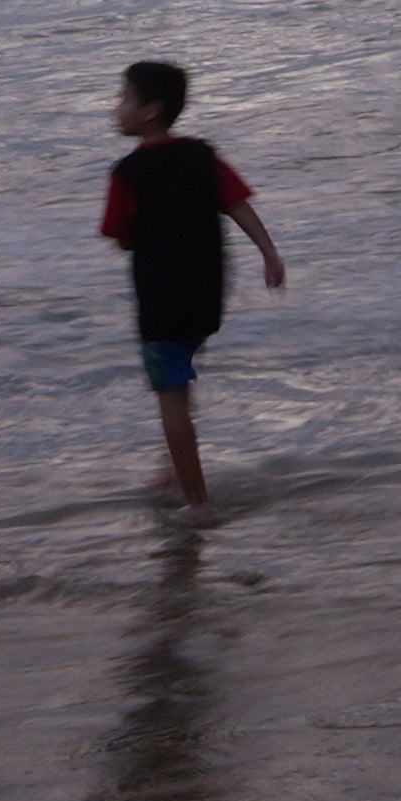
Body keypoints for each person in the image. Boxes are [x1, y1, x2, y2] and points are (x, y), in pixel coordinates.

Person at [101, 59, 283, 512]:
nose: (116, 107)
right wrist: (269, 252)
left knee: (172, 398)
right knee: (182, 369)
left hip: (161, 300)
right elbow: (237, 204)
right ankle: (170, 466)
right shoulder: (203, 155)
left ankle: (197, 501)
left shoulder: (127, 172)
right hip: (207, 294)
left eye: (124, 98)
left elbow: (122, 237)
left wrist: (140, 237)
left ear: (150, 111)